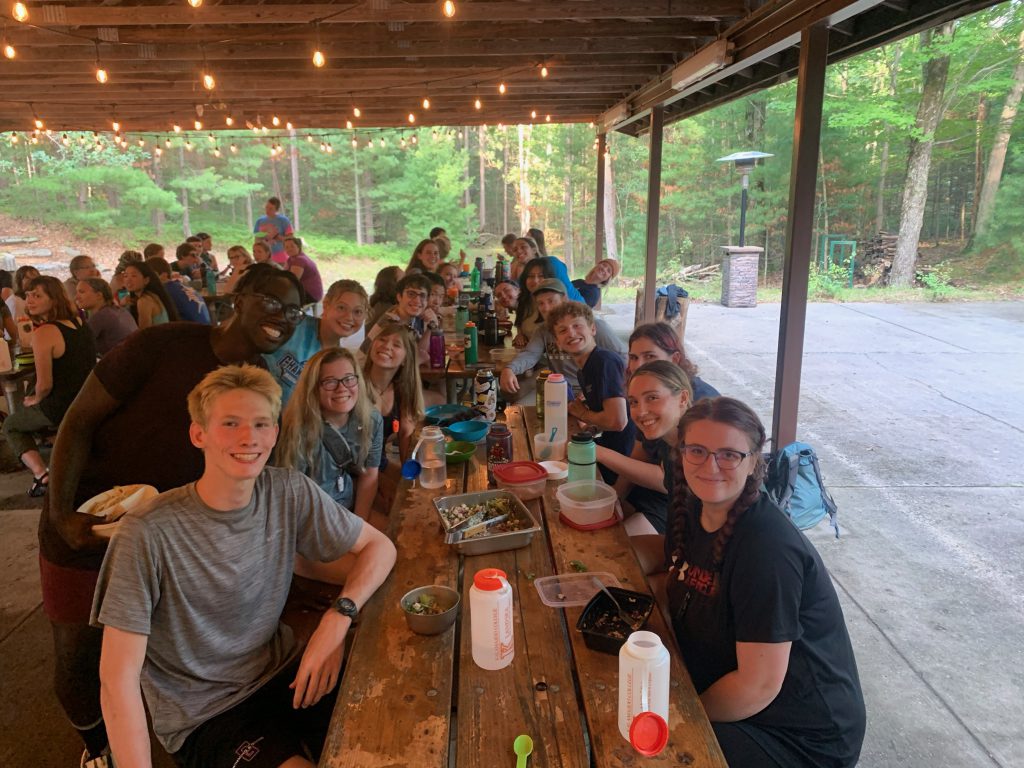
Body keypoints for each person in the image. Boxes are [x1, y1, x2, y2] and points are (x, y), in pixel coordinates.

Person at [38, 264, 304, 767]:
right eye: (271, 301)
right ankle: (98, 749)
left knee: (151, 652)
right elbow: (77, 421)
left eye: (293, 311)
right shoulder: (162, 344)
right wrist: (60, 514)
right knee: (78, 658)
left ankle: (154, 734)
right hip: (88, 523)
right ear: (237, 299)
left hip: (168, 540)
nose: (283, 318)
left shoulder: (258, 382)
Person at [91, 364, 396, 767]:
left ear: (274, 433)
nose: (248, 437)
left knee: (392, 729)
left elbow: (381, 549)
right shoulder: (148, 533)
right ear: (198, 433)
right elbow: (117, 680)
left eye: (260, 423)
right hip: (209, 714)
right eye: (230, 423)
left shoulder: (287, 491)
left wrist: (337, 622)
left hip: (286, 672)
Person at [652, 397, 865, 767]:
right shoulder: (693, 506)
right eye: (697, 450)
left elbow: (757, 687)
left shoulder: (767, 548)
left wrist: (680, 719)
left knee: (655, 754)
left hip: (799, 735)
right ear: (681, 452)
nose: (710, 466)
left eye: (729, 454)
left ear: (753, 462)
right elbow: (674, 560)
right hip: (729, 688)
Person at [3, 276, 95, 496]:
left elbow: (45, 385)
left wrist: (35, 399)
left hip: (61, 405)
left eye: (37, 295)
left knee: (11, 424)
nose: (30, 300)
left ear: (54, 299)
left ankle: (41, 474)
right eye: (27, 295)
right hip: (87, 398)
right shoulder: (80, 322)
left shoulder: (44, 332)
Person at [278, 348, 383, 524]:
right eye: (330, 382)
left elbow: (369, 475)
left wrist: (359, 526)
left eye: (349, 379)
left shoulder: (371, 420)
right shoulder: (299, 429)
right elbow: (291, 498)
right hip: (311, 521)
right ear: (313, 388)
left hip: (347, 513)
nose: (342, 388)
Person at [596, 360, 691, 536]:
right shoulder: (666, 439)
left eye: (652, 398)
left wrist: (598, 453)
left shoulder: (698, 447)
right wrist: (616, 496)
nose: (640, 412)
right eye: (633, 402)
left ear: (683, 398)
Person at [548, 300, 635, 484]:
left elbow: (618, 421)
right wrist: (593, 426)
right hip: (609, 446)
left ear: (593, 329)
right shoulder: (585, 369)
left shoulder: (604, 362)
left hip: (624, 459)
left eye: (577, 325)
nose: (571, 333)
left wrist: (583, 414)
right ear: (558, 342)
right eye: (563, 330)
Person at [499, 279, 624, 398]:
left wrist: (607, 389)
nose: (546, 307)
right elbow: (531, 354)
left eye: (551, 301)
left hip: (594, 392)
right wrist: (510, 368)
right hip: (560, 389)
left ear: (564, 298)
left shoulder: (592, 325)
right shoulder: (543, 330)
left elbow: (623, 358)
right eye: (541, 303)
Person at [265, 279, 369, 404]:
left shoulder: (339, 360)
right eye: (341, 308)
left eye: (357, 312)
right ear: (326, 305)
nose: (349, 317)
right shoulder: (295, 325)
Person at [362, 323, 424, 470]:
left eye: (396, 345)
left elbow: (405, 435)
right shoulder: (355, 386)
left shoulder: (401, 390)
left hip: (377, 465)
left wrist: (408, 479)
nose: (386, 346)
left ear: (405, 360)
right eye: (382, 340)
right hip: (354, 470)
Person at [628, 322, 719, 401]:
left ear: (675, 359)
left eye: (649, 356)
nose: (638, 366)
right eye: (633, 357)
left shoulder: (703, 401)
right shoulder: (636, 392)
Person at [361, 272, 437, 363]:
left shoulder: (409, 318)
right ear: (399, 297)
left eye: (422, 296)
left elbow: (419, 352)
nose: (417, 300)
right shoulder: (391, 322)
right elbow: (410, 361)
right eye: (411, 294)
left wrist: (430, 327)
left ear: (427, 300)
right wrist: (431, 328)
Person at [76, 277, 137, 356]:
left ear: (98, 295)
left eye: (81, 292)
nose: (76, 297)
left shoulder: (102, 316)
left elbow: (78, 345)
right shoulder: (119, 310)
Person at [146, 257, 212, 324]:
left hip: (194, 331)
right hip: (206, 328)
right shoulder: (179, 285)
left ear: (163, 275)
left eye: (150, 276)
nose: (147, 280)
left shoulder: (166, 291)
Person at [122, 261, 179, 329]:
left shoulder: (144, 301)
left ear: (146, 280)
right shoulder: (152, 296)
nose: (128, 279)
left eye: (134, 276)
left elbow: (143, 334)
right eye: (125, 276)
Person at [254, 196, 294, 265]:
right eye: (266, 207)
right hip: (264, 257)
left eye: (271, 209)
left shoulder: (284, 220)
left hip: (280, 256)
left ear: (276, 210)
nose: (267, 210)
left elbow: (291, 239)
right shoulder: (260, 221)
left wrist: (278, 237)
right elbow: (256, 238)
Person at [284, 235, 324, 304]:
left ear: (298, 247)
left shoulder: (299, 260)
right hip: (306, 292)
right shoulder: (291, 259)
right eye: (286, 247)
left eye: (292, 246)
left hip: (310, 294)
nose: (289, 249)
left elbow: (293, 280)